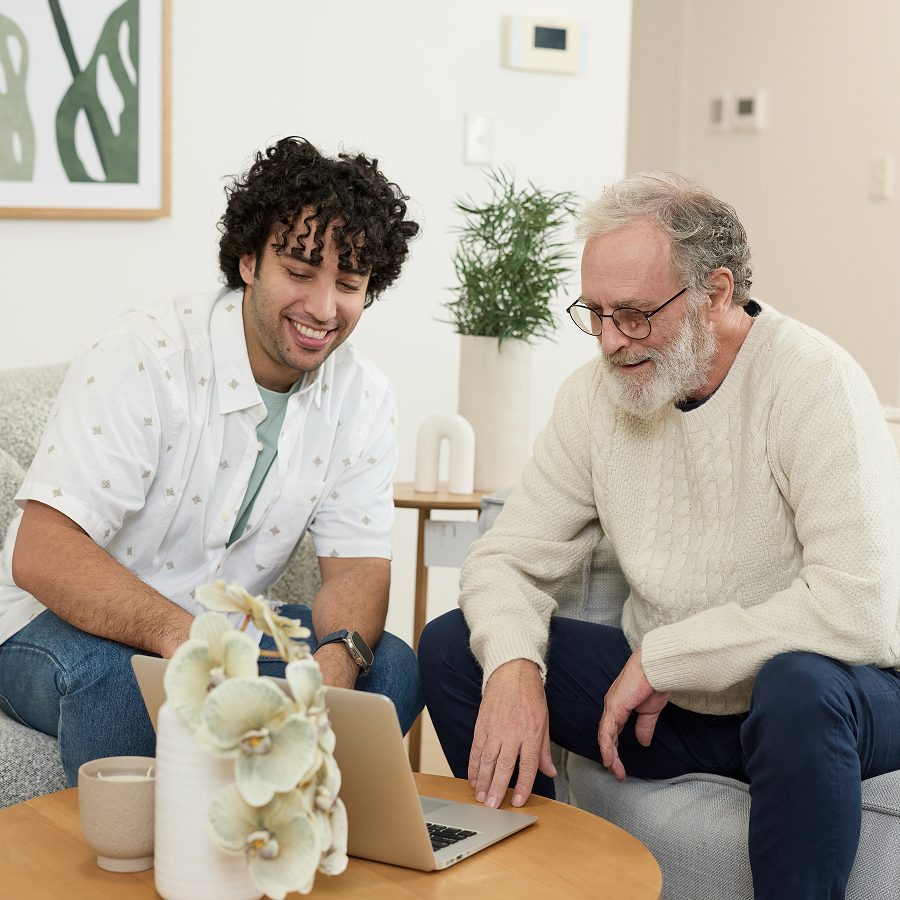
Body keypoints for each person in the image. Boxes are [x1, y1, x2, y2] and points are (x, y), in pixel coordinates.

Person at [419, 172, 900, 900]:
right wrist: (514, 664)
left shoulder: (814, 383)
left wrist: (666, 657)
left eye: (636, 315)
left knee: (797, 687)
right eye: (597, 313)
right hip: (667, 708)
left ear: (715, 292)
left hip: (830, 700)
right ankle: (531, 884)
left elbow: (858, 609)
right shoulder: (595, 396)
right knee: (457, 646)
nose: (612, 342)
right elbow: (505, 559)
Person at [0, 136, 423, 786]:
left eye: (349, 283)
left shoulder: (363, 398)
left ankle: (288, 846)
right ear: (249, 260)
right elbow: (42, 553)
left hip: (221, 637)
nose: (322, 307)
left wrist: (338, 661)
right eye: (301, 272)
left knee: (389, 666)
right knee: (128, 691)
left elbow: (358, 566)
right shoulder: (145, 357)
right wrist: (182, 638)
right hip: (51, 626)